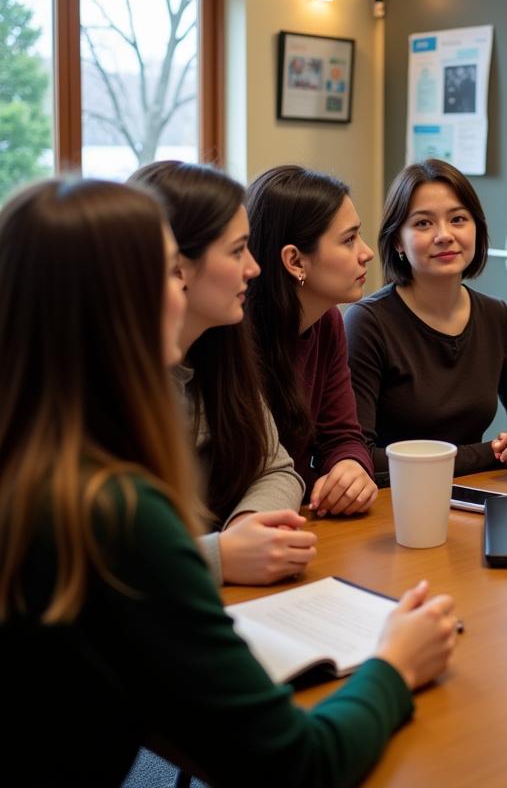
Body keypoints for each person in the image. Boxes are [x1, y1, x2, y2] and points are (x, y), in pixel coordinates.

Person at [0, 178, 458, 787]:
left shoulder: (36, 462)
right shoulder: (114, 513)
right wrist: (394, 665)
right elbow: (296, 765)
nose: (184, 288)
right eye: (169, 272)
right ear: (118, 304)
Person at [131, 161, 311, 586]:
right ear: (176, 265)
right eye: (236, 251)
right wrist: (217, 556)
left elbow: (277, 468)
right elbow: (91, 558)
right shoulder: (110, 382)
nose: (254, 268)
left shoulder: (221, 347)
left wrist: (250, 528)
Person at [344, 158, 507, 480]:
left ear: (477, 228)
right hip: (392, 500)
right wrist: (490, 454)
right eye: (423, 224)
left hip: (474, 494)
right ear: (397, 241)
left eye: (458, 219)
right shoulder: (368, 323)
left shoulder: (497, 316)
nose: (444, 235)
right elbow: (359, 456)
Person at [246, 165, 378, 518]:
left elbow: (343, 436)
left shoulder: (327, 321)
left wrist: (350, 468)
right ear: (294, 260)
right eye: (349, 240)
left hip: (296, 519)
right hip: (241, 535)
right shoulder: (236, 335)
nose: (367, 253)